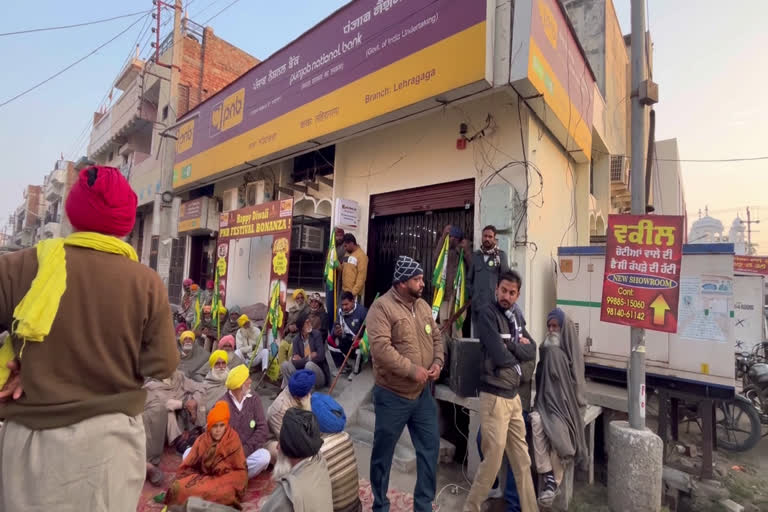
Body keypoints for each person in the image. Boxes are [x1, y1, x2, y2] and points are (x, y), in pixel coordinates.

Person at [0, 165, 178, 512]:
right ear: (127, 222)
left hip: (29, 450)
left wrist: (17, 359)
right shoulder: (145, 283)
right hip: (108, 453)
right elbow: (164, 363)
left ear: (72, 212)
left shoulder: (22, 266)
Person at [366, 255, 444, 512]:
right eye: (417, 279)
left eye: (422, 278)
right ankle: (380, 505)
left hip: (422, 397)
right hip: (392, 395)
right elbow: (380, 349)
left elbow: (437, 338)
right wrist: (412, 370)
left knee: (430, 450)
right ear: (401, 283)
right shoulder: (381, 308)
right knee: (382, 456)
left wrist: (437, 363)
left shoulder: (422, 306)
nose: (422, 284)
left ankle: (423, 505)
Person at [463, 271, 537, 512]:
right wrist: (516, 356)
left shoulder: (516, 317)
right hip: (494, 397)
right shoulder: (487, 314)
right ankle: (471, 507)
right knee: (492, 462)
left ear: (517, 294)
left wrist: (512, 347)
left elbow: (532, 349)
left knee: (523, 461)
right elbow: (497, 353)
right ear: (496, 288)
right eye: (503, 290)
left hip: (513, 397)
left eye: (512, 292)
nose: (506, 296)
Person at [530, 308, 587, 507]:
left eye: (556, 327)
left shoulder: (564, 354)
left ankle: (552, 484)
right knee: (536, 420)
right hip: (546, 403)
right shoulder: (547, 351)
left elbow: (575, 389)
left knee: (557, 433)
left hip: (566, 408)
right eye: (549, 326)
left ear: (564, 329)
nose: (552, 330)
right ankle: (549, 477)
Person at [164, 402, 248, 508]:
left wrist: (220, 469)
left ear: (226, 425)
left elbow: (240, 470)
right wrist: (198, 477)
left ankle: (196, 503)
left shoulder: (233, 439)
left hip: (224, 479)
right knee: (179, 488)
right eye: (215, 426)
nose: (218, 430)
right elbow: (188, 466)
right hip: (203, 477)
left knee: (225, 493)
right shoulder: (202, 440)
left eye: (222, 425)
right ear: (209, 427)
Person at [261, 408, 333, 512]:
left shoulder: (286, 496)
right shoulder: (319, 461)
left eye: (281, 443)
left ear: (289, 449)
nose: (277, 447)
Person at [143, 370, 205, 485]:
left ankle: (189, 438)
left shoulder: (178, 376)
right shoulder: (150, 386)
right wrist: (184, 403)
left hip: (184, 419)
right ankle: (181, 443)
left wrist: (193, 400)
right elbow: (165, 404)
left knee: (195, 397)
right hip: (161, 426)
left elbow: (198, 387)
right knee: (166, 410)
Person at [219, 365, 272, 478]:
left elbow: (262, 428)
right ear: (239, 385)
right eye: (247, 378)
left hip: (247, 451)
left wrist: (245, 450)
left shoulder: (254, 398)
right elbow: (216, 434)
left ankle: (233, 476)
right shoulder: (222, 404)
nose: (250, 381)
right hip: (228, 454)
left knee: (264, 457)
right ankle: (234, 475)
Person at [434, 225, 470, 333]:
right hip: (445, 295)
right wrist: (443, 235)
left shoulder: (464, 250)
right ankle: (444, 350)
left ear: (457, 239)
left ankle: (456, 350)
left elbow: (472, 267)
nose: (450, 240)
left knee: (456, 327)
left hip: (459, 296)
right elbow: (436, 257)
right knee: (443, 325)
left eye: (453, 238)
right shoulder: (445, 252)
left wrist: (466, 251)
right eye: (449, 237)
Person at [281, 312, 330, 389]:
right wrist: (309, 357)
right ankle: (290, 391)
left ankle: (308, 395)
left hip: (318, 376)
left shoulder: (316, 334)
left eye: (309, 321)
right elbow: (295, 362)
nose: (309, 323)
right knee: (285, 365)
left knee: (309, 365)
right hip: (301, 374)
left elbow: (321, 356)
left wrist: (302, 360)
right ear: (301, 327)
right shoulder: (296, 340)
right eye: (306, 323)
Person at [468, 225, 511, 313]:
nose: (487, 239)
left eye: (490, 237)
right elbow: (469, 279)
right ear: (482, 237)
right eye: (485, 236)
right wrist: (473, 295)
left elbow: (506, 281)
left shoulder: (501, 256)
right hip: (477, 305)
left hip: (493, 305)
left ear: (494, 239)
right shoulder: (476, 255)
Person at [267, 369, 315, 439]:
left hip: (296, 428)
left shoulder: (298, 390)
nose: (309, 394)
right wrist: (306, 411)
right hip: (278, 437)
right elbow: (284, 440)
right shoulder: (280, 410)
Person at [331, 291, 368, 370]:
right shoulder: (340, 310)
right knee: (330, 340)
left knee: (360, 351)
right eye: (342, 304)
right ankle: (342, 366)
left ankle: (357, 367)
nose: (344, 307)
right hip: (345, 339)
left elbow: (370, 331)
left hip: (358, 342)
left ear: (353, 301)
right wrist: (336, 330)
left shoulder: (363, 312)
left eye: (346, 304)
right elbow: (336, 323)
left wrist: (361, 339)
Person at [282, 289, 310, 365]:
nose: (300, 300)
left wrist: (297, 327)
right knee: (282, 346)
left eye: (302, 297)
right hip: (290, 334)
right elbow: (288, 324)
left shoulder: (307, 310)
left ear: (304, 298)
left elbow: (308, 324)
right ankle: (282, 371)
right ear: (295, 299)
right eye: (297, 298)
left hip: (300, 335)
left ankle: (290, 369)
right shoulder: (292, 310)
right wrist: (289, 328)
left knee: (292, 348)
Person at [200, 350, 230, 416]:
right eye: (217, 364)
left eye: (223, 363)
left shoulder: (232, 380)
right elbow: (205, 409)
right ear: (212, 366)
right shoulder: (206, 385)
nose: (221, 367)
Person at [340, 233, 368, 300]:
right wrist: (337, 264)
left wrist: (353, 293)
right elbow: (343, 269)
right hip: (344, 291)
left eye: (346, 246)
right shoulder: (347, 254)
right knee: (341, 310)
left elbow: (361, 278)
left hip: (354, 293)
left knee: (352, 310)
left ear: (352, 243)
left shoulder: (362, 256)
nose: (345, 248)